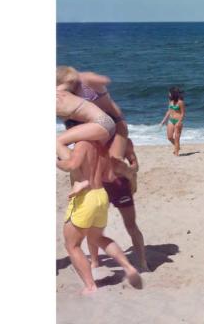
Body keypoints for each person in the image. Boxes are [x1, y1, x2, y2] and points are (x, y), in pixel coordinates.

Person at [57, 127, 142, 294]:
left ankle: (90, 286)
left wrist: (57, 161)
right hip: (101, 195)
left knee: (72, 245)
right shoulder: (102, 148)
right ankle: (128, 267)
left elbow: (71, 165)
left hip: (86, 199)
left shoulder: (82, 144)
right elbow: (109, 176)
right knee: (98, 238)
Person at [89, 136, 148, 273]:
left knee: (131, 225)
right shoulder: (93, 140)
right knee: (94, 226)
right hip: (99, 186)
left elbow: (135, 165)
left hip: (120, 186)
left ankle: (142, 262)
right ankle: (94, 261)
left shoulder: (124, 142)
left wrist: (127, 170)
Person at [57, 66, 131, 161]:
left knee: (116, 159)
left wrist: (84, 76)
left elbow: (105, 80)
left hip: (115, 120)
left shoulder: (84, 80)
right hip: (91, 124)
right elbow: (69, 122)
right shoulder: (67, 93)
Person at [158, 87, 186, 156]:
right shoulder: (170, 101)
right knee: (169, 137)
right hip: (171, 120)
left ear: (173, 94)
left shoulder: (180, 102)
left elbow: (183, 113)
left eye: (170, 93)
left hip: (178, 121)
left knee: (177, 138)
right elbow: (168, 111)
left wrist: (179, 121)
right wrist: (163, 121)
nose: (168, 94)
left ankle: (176, 153)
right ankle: (178, 147)